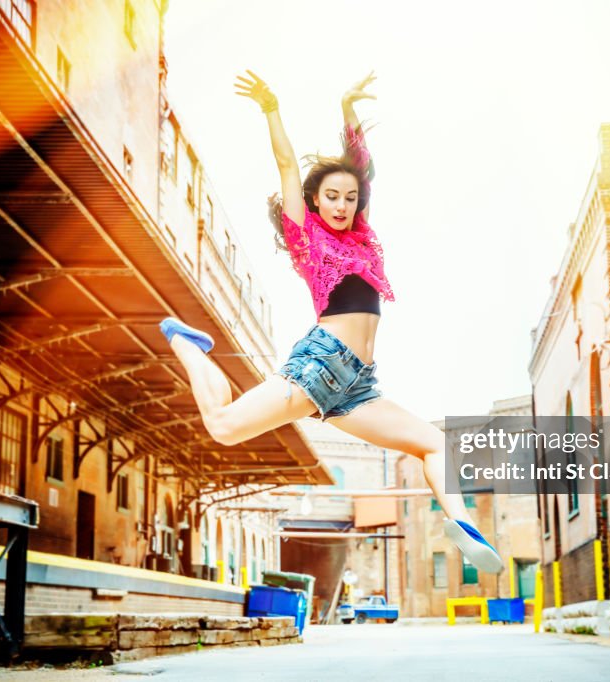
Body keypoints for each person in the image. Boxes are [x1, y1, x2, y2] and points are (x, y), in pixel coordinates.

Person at [159, 71, 502, 574]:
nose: (342, 205)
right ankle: (187, 343)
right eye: (331, 197)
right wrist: (271, 107)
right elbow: (283, 162)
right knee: (224, 427)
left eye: (349, 198)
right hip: (322, 364)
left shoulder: (362, 238)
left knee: (434, 443)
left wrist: (347, 109)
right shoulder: (307, 239)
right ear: (314, 200)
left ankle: (462, 525)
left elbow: (361, 166)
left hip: (358, 386)